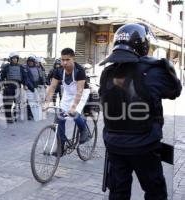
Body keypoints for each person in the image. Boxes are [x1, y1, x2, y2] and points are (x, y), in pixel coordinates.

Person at [99, 23, 182, 200]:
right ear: (143, 45)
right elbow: (175, 90)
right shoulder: (153, 72)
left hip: (114, 144)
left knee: (118, 192)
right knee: (155, 192)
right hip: (144, 145)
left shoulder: (107, 72)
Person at [45, 48, 89, 156]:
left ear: (73, 58)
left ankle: (84, 130)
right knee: (60, 117)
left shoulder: (79, 70)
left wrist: (73, 107)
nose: (64, 62)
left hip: (81, 92)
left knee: (74, 113)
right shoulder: (59, 70)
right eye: (62, 59)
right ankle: (61, 146)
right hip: (68, 93)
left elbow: (79, 91)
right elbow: (53, 86)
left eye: (67, 60)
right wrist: (47, 102)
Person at [1, 52, 25, 123]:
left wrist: (25, 84)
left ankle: (15, 116)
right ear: (10, 59)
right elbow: (2, 76)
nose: (15, 60)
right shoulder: (6, 67)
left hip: (17, 87)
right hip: (9, 87)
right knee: (8, 104)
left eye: (16, 58)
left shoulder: (21, 67)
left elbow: (24, 77)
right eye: (13, 58)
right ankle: (8, 118)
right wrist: (3, 84)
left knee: (17, 103)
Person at [24, 55, 45, 120]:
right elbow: (26, 78)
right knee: (29, 101)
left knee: (36, 101)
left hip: (37, 86)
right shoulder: (26, 69)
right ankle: (29, 114)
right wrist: (27, 85)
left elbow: (41, 77)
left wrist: (43, 84)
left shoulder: (37, 69)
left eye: (31, 62)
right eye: (29, 62)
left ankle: (34, 113)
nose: (30, 63)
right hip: (30, 87)